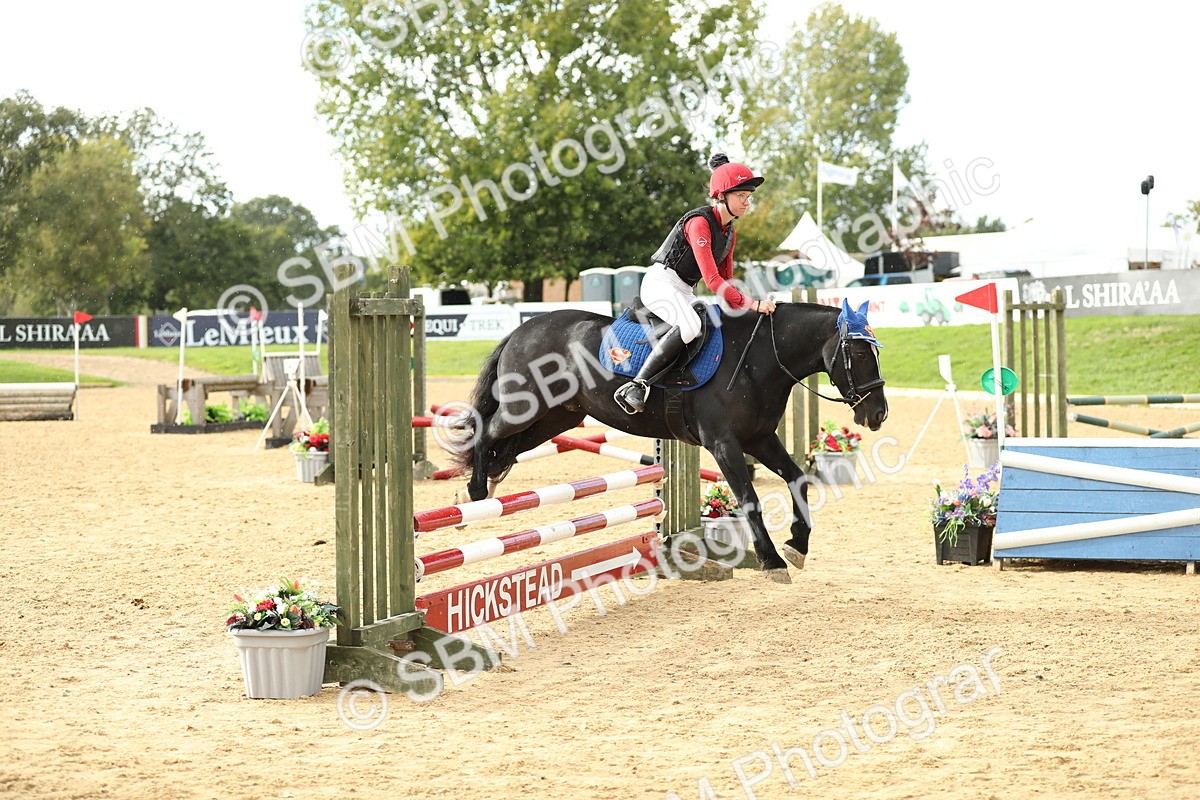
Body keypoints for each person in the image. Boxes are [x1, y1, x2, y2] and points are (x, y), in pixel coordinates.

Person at [613, 153, 777, 414]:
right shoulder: (699, 223)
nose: (748, 202)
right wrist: (753, 304)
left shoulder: (729, 232)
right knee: (690, 325)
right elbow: (713, 281)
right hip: (660, 283)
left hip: (683, 288)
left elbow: (727, 281)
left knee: (713, 322)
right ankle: (637, 385)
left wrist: (743, 308)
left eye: (749, 196)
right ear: (722, 195)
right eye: (741, 196)